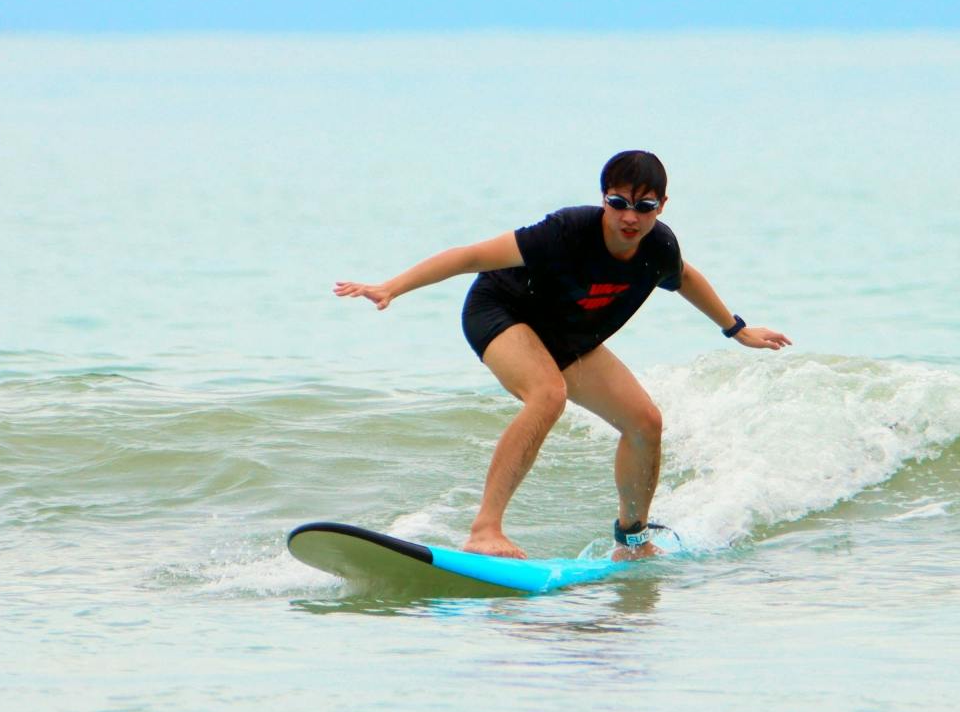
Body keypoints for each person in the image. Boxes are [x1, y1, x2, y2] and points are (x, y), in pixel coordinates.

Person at [335, 151, 789, 561]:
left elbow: (684, 278)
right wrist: (393, 286)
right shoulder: (567, 231)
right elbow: (472, 255)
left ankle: (632, 541)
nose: (630, 217)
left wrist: (736, 328)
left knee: (645, 422)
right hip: (501, 310)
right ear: (603, 199)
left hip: (568, 334)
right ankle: (485, 530)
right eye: (619, 202)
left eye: (644, 206)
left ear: (662, 206)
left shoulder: (658, 249)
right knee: (547, 393)